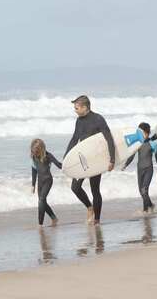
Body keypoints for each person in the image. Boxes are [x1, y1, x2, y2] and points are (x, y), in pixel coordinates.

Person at [64, 95, 115, 225]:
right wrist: (66, 157)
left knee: (95, 189)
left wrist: (112, 159)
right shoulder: (79, 121)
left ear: (85, 107)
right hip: (82, 158)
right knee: (75, 187)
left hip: (96, 159)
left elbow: (109, 138)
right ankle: (89, 207)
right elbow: (75, 139)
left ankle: (97, 220)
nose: (75, 110)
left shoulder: (98, 119)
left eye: (76, 108)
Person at [122, 122, 157, 213]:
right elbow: (132, 156)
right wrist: (125, 165)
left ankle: (145, 210)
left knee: (144, 190)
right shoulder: (138, 144)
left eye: (143, 133)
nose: (141, 135)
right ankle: (151, 205)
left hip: (149, 169)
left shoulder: (153, 144)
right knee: (142, 192)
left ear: (147, 133)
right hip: (140, 169)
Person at [31, 138, 61, 227]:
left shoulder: (48, 156)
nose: (35, 153)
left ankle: (40, 224)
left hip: (48, 180)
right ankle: (54, 218)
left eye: (37, 151)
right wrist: (33, 184)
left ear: (41, 149)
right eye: (34, 151)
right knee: (42, 202)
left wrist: (70, 166)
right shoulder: (34, 157)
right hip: (40, 182)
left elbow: (59, 165)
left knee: (41, 200)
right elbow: (34, 170)